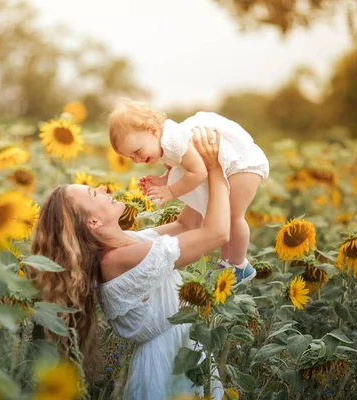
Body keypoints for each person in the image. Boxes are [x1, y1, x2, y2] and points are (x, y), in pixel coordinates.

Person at [29, 129, 230, 399]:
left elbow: (188, 224)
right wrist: (216, 169)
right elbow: (216, 234)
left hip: (181, 348)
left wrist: (195, 167)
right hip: (167, 363)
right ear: (94, 223)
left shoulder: (128, 243)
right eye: (93, 193)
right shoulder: (117, 260)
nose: (102, 188)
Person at [108, 99, 270, 286]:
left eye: (137, 151)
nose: (137, 159)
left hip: (242, 164)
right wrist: (163, 180)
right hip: (226, 167)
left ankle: (237, 264)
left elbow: (198, 172)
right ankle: (228, 263)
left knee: (232, 216)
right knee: (221, 216)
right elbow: (180, 168)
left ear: (153, 131)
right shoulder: (161, 145)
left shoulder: (174, 140)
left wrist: (170, 191)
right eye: (130, 157)